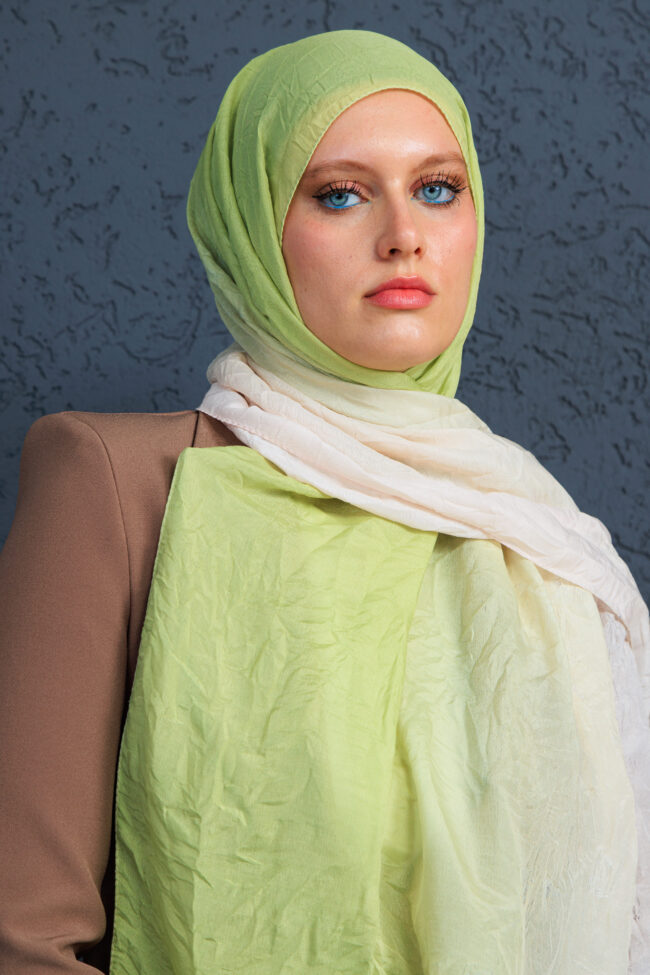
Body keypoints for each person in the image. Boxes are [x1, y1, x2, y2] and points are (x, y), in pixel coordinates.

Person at [0, 29, 648, 975]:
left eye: (439, 188)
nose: (404, 234)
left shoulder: (540, 539)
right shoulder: (120, 482)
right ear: (252, 227)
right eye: (341, 194)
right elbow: (24, 936)